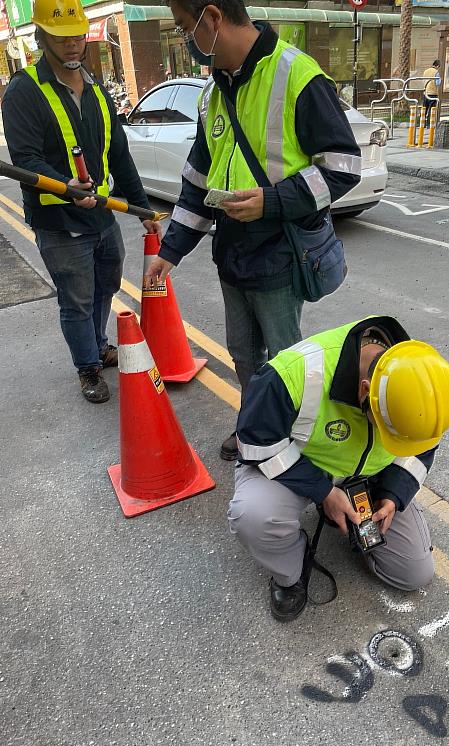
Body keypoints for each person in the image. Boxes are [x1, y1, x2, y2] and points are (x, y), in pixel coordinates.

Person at [144, 0, 361, 461]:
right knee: (243, 354)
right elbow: (199, 182)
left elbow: (343, 167)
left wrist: (273, 201)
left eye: (186, 28)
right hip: (233, 255)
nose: (187, 41)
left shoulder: (298, 76)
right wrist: (172, 250)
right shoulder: (213, 91)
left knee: (287, 358)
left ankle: (296, 442)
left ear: (213, 18)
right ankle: (257, 426)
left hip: (279, 256)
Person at [227, 316, 449, 622]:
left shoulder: (421, 383)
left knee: (413, 574)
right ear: (366, 390)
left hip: (369, 477)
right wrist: (323, 491)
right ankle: (289, 571)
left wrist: (393, 494)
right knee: (254, 515)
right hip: (300, 470)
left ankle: (351, 519)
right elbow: (257, 444)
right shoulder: (293, 374)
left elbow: (420, 449)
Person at [1, 0, 161, 404]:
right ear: (41, 38)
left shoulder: (95, 88)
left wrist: (143, 210)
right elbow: (26, 158)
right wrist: (64, 185)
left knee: (106, 285)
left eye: (76, 36)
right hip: (61, 224)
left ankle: (97, 344)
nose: (72, 45)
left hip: (104, 218)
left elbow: (119, 153)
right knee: (76, 299)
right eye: (61, 37)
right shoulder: (23, 92)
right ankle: (87, 367)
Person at [422, 59, 441, 127]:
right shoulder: (436, 72)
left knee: (424, 108)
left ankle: (422, 123)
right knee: (431, 109)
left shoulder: (426, 71)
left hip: (425, 92)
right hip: (433, 93)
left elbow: (423, 80)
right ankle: (429, 124)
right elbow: (438, 83)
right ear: (438, 66)